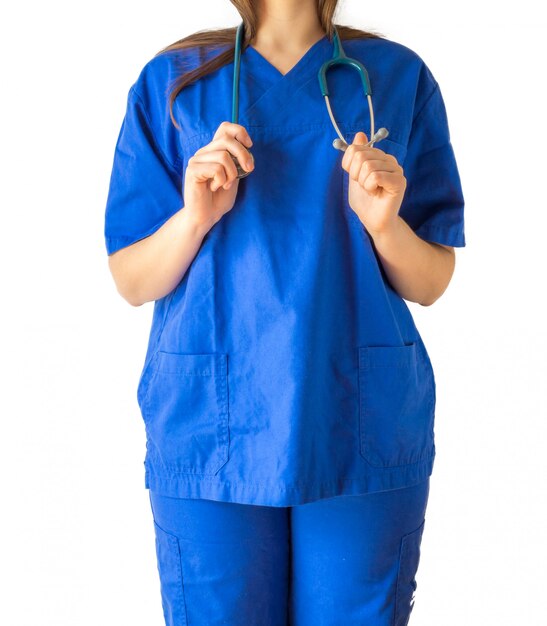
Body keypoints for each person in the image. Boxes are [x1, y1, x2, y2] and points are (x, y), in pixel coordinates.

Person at [103, 0, 466, 623]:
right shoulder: (175, 80)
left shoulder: (396, 77)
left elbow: (431, 280)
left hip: (357, 423)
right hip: (213, 426)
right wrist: (195, 217)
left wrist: (384, 226)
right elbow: (132, 279)